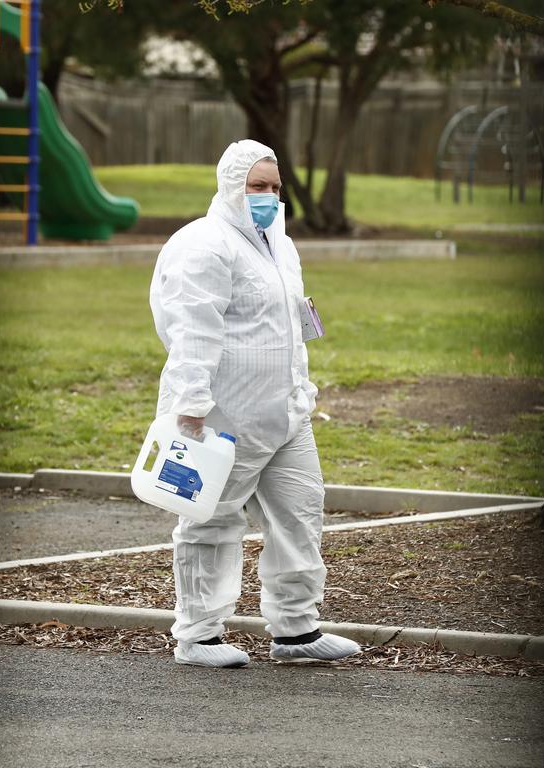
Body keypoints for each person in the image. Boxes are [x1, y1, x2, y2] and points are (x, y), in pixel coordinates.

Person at [148, 139, 361, 668]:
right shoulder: (203, 245)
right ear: (230, 185)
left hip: (285, 413)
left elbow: (291, 324)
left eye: (274, 188)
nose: (267, 197)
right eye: (257, 186)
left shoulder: (278, 243)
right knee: (210, 520)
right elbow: (191, 329)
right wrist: (192, 404)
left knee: (300, 513)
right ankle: (198, 635)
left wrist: (301, 390)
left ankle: (296, 629)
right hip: (223, 417)